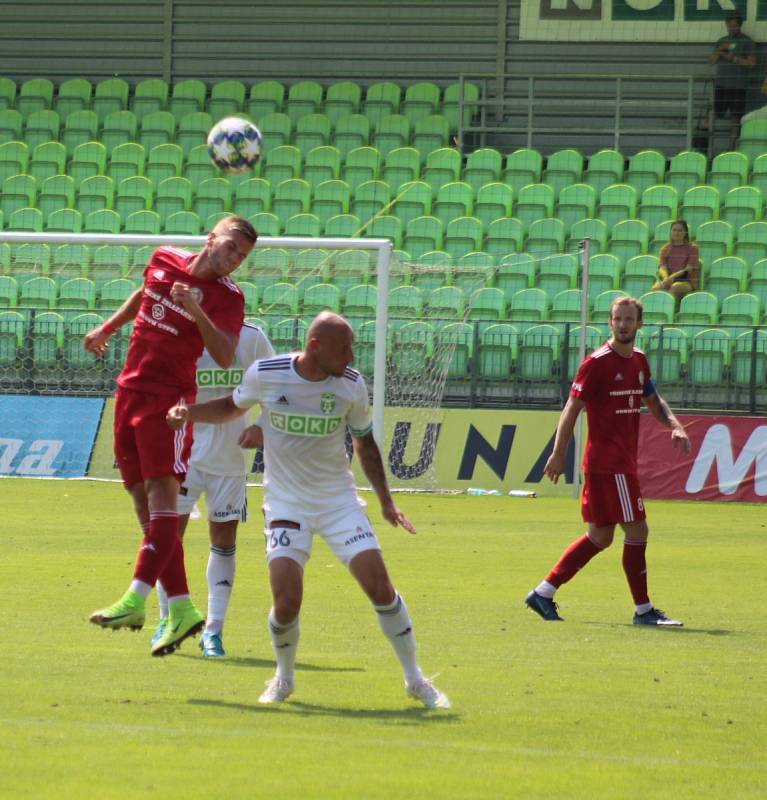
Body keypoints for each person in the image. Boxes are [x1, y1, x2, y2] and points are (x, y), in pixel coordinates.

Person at [166, 312, 450, 709]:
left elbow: (365, 445)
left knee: (380, 588)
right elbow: (231, 407)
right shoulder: (268, 373)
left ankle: (416, 679)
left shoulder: (352, 387)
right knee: (286, 601)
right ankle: (283, 678)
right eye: (345, 348)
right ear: (315, 346)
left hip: (338, 502)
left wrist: (386, 501)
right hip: (285, 503)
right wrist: (188, 412)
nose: (352, 356)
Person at [85, 215, 258, 657]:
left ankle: (136, 598)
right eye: (231, 247)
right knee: (144, 505)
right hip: (129, 391)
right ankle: (181, 607)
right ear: (211, 238)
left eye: (242, 255)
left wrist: (195, 307)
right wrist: (108, 327)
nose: (234, 259)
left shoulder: (227, 298)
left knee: (165, 498)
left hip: (168, 402)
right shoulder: (163, 258)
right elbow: (145, 294)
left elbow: (222, 355)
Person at [525, 296, 691, 626]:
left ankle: (543, 593)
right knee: (638, 530)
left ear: (639, 324)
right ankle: (643, 611)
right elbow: (572, 408)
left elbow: (653, 398)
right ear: (610, 322)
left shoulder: (640, 361)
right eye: (618, 319)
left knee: (600, 537)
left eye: (629, 319)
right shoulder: (597, 362)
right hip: (608, 464)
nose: (623, 325)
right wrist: (559, 453)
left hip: (619, 464)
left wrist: (674, 426)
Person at [152, 321, 274, 658]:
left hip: (229, 459)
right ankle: (168, 621)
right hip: (180, 455)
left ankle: (214, 631)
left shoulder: (251, 338)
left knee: (223, 542)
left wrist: (261, 427)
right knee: (168, 538)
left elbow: (278, 390)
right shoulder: (176, 334)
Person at [708, 13, 756, 146]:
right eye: (729, 26)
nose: (731, 29)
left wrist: (734, 58)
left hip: (738, 85)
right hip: (722, 84)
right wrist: (719, 50)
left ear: (739, 26)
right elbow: (711, 61)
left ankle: (731, 147)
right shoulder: (722, 40)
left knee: (736, 117)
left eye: (734, 26)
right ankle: (707, 145)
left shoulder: (747, 41)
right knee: (715, 113)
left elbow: (752, 63)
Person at [652, 219, 700, 305]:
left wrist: (672, 277)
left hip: (687, 280)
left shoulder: (692, 248)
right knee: (655, 288)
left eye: (680, 230)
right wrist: (666, 278)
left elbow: (688, 269)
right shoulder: (665, 249)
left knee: (675, 287)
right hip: (669, 278)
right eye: (674, 230)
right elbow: (662, 267)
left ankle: (668, 311)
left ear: (685, 233)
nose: (676, 233)